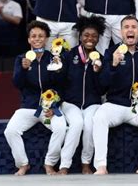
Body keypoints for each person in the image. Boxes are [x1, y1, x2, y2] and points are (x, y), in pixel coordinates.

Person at [93, 15, 138, 175]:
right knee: (99, 115)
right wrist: (113, 65)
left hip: (137, 106)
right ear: (121, 32)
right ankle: (101, 166)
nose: (130, 30)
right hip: (115, 104)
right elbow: (102, 85)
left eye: (133, 27)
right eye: (126, 27)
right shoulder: (110, 52)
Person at [4, 20, 67, 176]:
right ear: (29, 39)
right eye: (33, 36)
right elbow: (17, 84)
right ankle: (23, 164)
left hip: (50, 108)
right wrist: (24, 69)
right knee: (10, 131)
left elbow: (61, 85)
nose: (37, 39)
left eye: (41, 36)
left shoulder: (54, 58)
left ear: (46, 39)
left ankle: (49, 164)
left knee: (60, 128)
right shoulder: (22, 58)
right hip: (29, 107)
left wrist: (54, 105)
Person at [58, 15, 106, 175]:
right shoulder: (69, 56)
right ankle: (64, 165)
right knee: (77, 123)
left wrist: (98, 73)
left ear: (98, 39)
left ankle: (86, 162)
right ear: (80, 37)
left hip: (92, 103)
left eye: (94, 36)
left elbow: (103, 89)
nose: (89, 39)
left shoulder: (101, 59)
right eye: (86, 35)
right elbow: (60, 81)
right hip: (70, 103)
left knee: (90, 125)